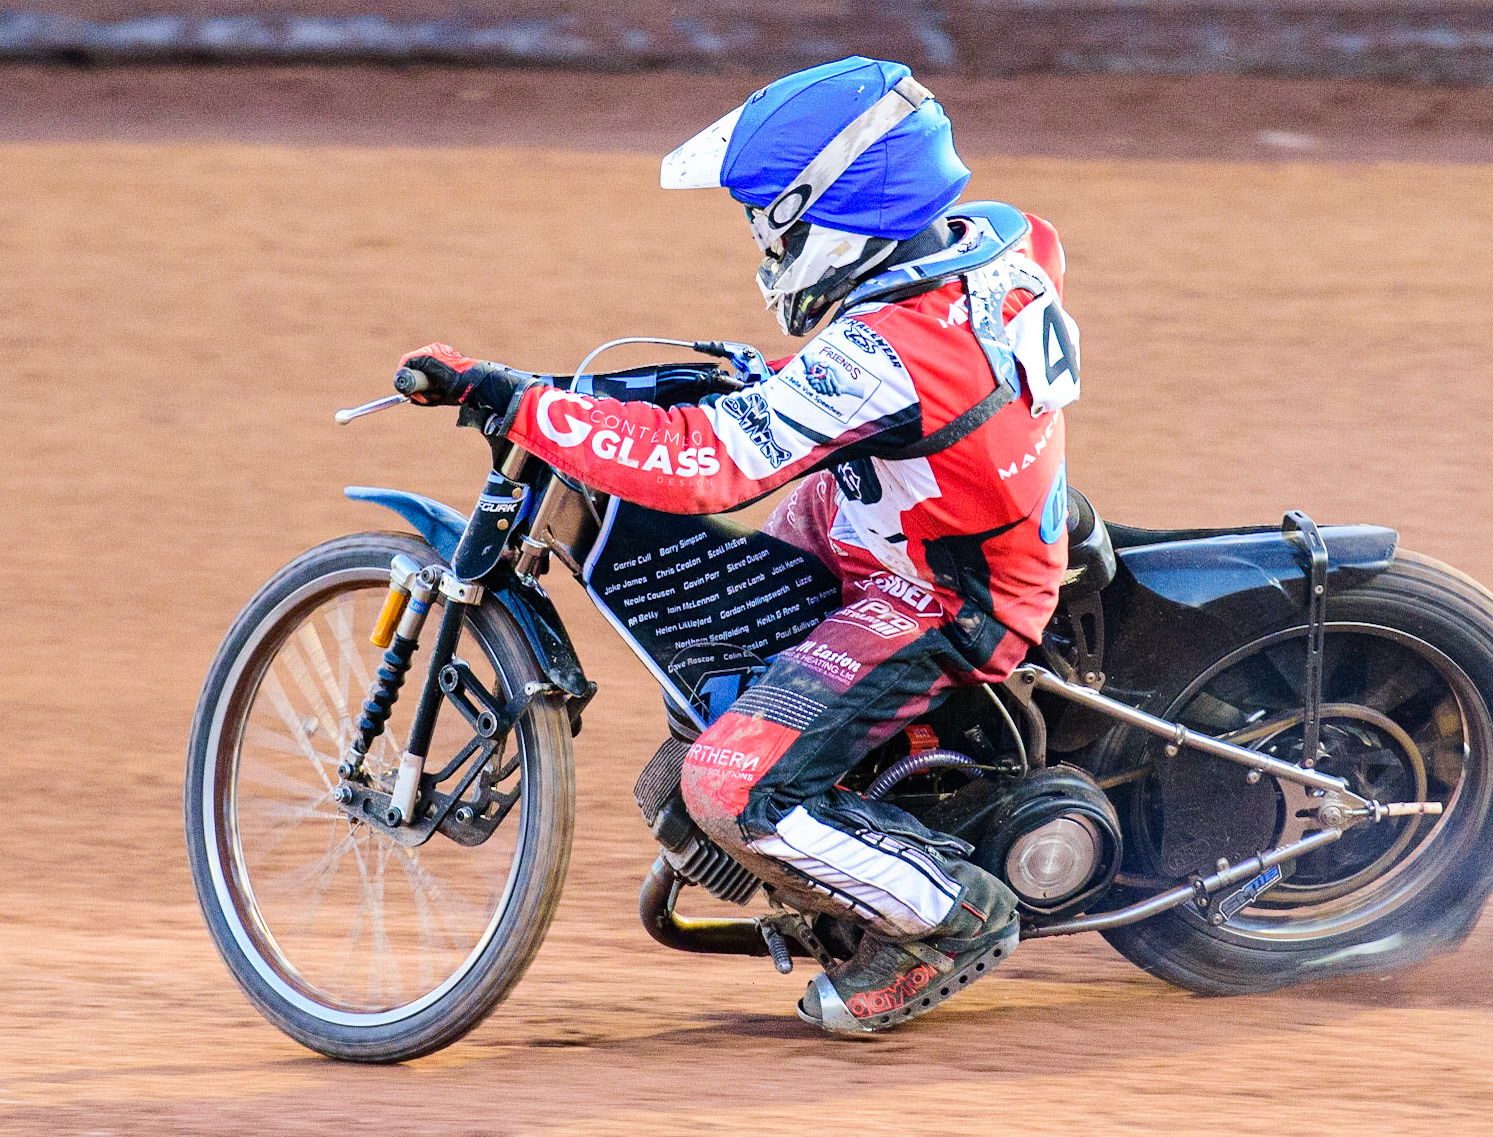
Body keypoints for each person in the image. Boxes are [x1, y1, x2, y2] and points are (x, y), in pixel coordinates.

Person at [398, 55, 1081, 1033]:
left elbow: (706, 464)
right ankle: (836, 791)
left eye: (772, 222)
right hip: (909, 517)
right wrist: (779, 377)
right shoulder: (1001, 244)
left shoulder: (890, 351)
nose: (764, 245)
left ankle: (949, 917)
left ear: (836, 212)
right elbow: (910, 373)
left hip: (937, 593)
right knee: (718, 652)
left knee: (726, 784)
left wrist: (520, 402)